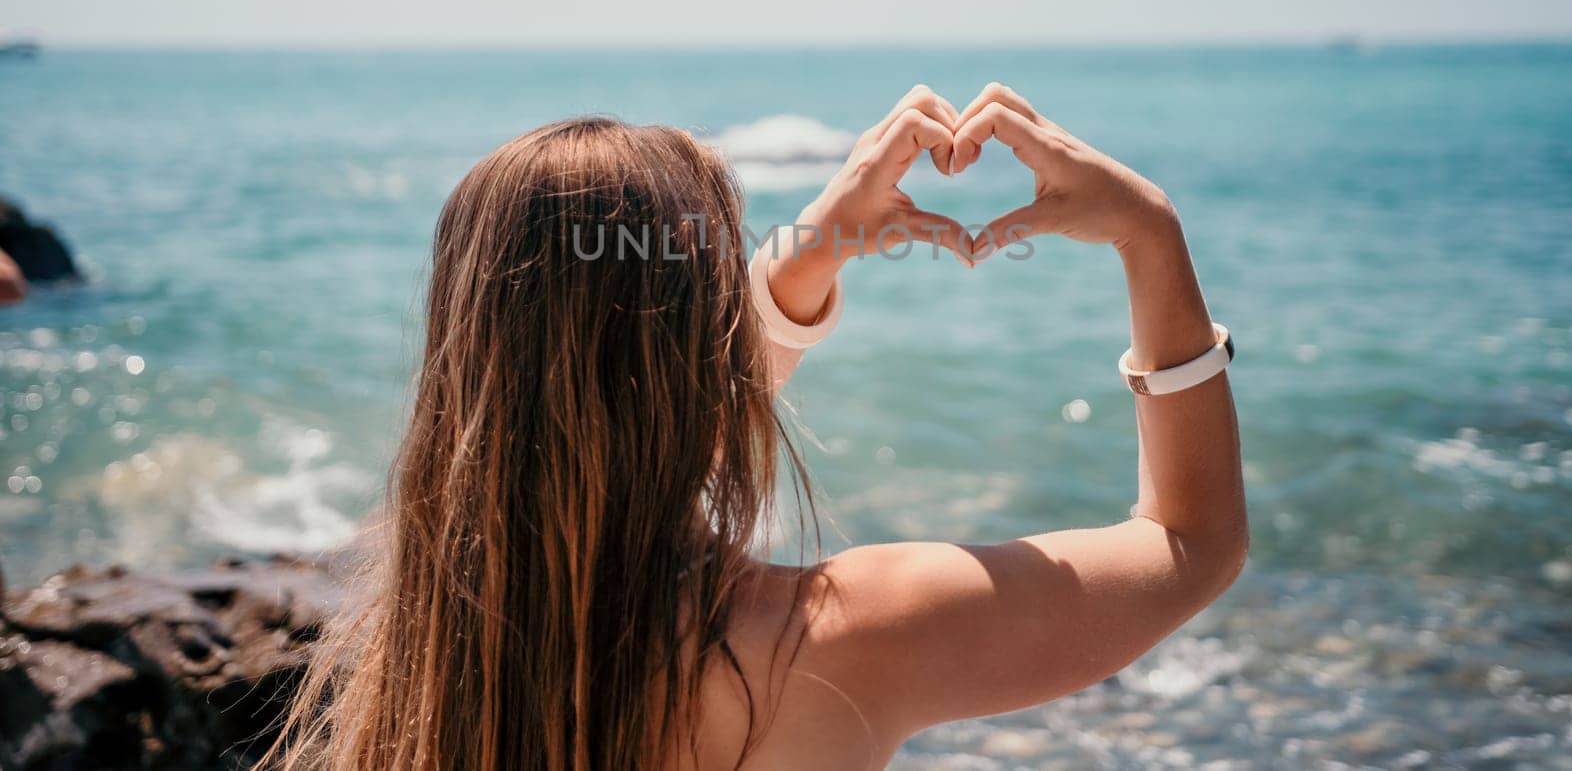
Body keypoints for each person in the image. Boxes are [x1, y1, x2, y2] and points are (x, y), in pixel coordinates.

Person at [270, 83, 1247, 770]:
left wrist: (817, 243)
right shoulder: (840, 637)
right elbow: (1191, 540)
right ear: (699, 357)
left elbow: (627, 400)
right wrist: (1148, 233)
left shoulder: (437, 642)